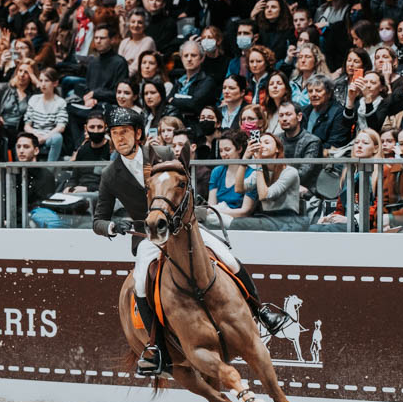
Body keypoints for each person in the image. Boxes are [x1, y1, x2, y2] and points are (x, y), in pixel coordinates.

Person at [92, 107, 287, 375]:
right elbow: (97, 220)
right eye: (114, 134)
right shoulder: (110, 174)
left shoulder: (160, 154)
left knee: (226, 255)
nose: (119, 139)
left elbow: (183, 183)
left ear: (138, 133)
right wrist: (113, 225)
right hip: (150, 236)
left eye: (124, 132)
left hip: (182, 227)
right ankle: (154, 346)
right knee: (139, 283)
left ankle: (260, 310)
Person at [229, 132, 304, 231]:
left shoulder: (290, 172)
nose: (262, 145)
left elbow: (265, 195)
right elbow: (238, 188)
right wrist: (245, 159)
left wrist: (258, 163)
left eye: (267, 142)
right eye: (260, 142)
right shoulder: (259, 172)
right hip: (266, 217)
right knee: (237, 223)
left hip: (286, 219)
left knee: (238, 223)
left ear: (277, 149)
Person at [207, 129, 258, 226]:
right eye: (221, 151)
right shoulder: (217, 171)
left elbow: (245, 211)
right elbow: (211, 204)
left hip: (240, 222)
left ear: (239, 149)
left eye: (227, 150)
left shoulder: (251, 173)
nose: (223, 154)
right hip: (216, 219)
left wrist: (218, 211)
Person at [13, 132, 63, 228]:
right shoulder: (12, 173)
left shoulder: (45, 174)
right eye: (18, 147)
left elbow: (43, 205)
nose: (21, 151)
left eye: (26, 147)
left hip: (36, 215)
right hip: (16, 215)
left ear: (36, 150)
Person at [275, 101, 322, 195]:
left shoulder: (312, 141)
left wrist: (277, 182)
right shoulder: (276, 139)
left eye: (288, 115)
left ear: (299, 117)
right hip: (278, 188)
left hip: (305, 191)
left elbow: (304, 172)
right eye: (281, 115)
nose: (284, 119)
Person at [24, 67, 67, 162]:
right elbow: (27, 126)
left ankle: (49, 169)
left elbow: (61, 127)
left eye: (46, 81)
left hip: (49, 136)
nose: (43, 84)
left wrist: (43, 138)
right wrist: (36, 135)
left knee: (57, 138)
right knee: (22, 139)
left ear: (55, 83)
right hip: (34, 134)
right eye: (41, 80)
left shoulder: (60, 102)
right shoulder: (34, 99)